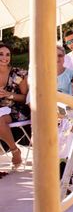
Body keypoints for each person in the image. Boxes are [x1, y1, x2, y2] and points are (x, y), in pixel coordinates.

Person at [0, 43, 29, 171]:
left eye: (7, 55)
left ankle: (15, 151)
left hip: (15, 109)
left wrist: (9, 95)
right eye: (1, 54)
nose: (4, 58)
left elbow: (25, 97)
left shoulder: (17, 74)